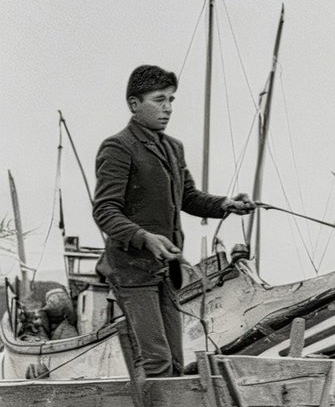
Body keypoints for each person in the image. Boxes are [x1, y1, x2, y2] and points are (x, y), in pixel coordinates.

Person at [92, 65, 254, 376]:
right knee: (156, 362)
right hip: (132, 272)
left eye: (171, 100)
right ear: (134, 104)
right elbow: (105, 211)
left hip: (167, 270)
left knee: (176, 364)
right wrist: (145, 238)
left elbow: (188, 197)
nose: (167, 108)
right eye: (158, 100)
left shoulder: (172, 148)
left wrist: (226, 204)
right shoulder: (118, 147)